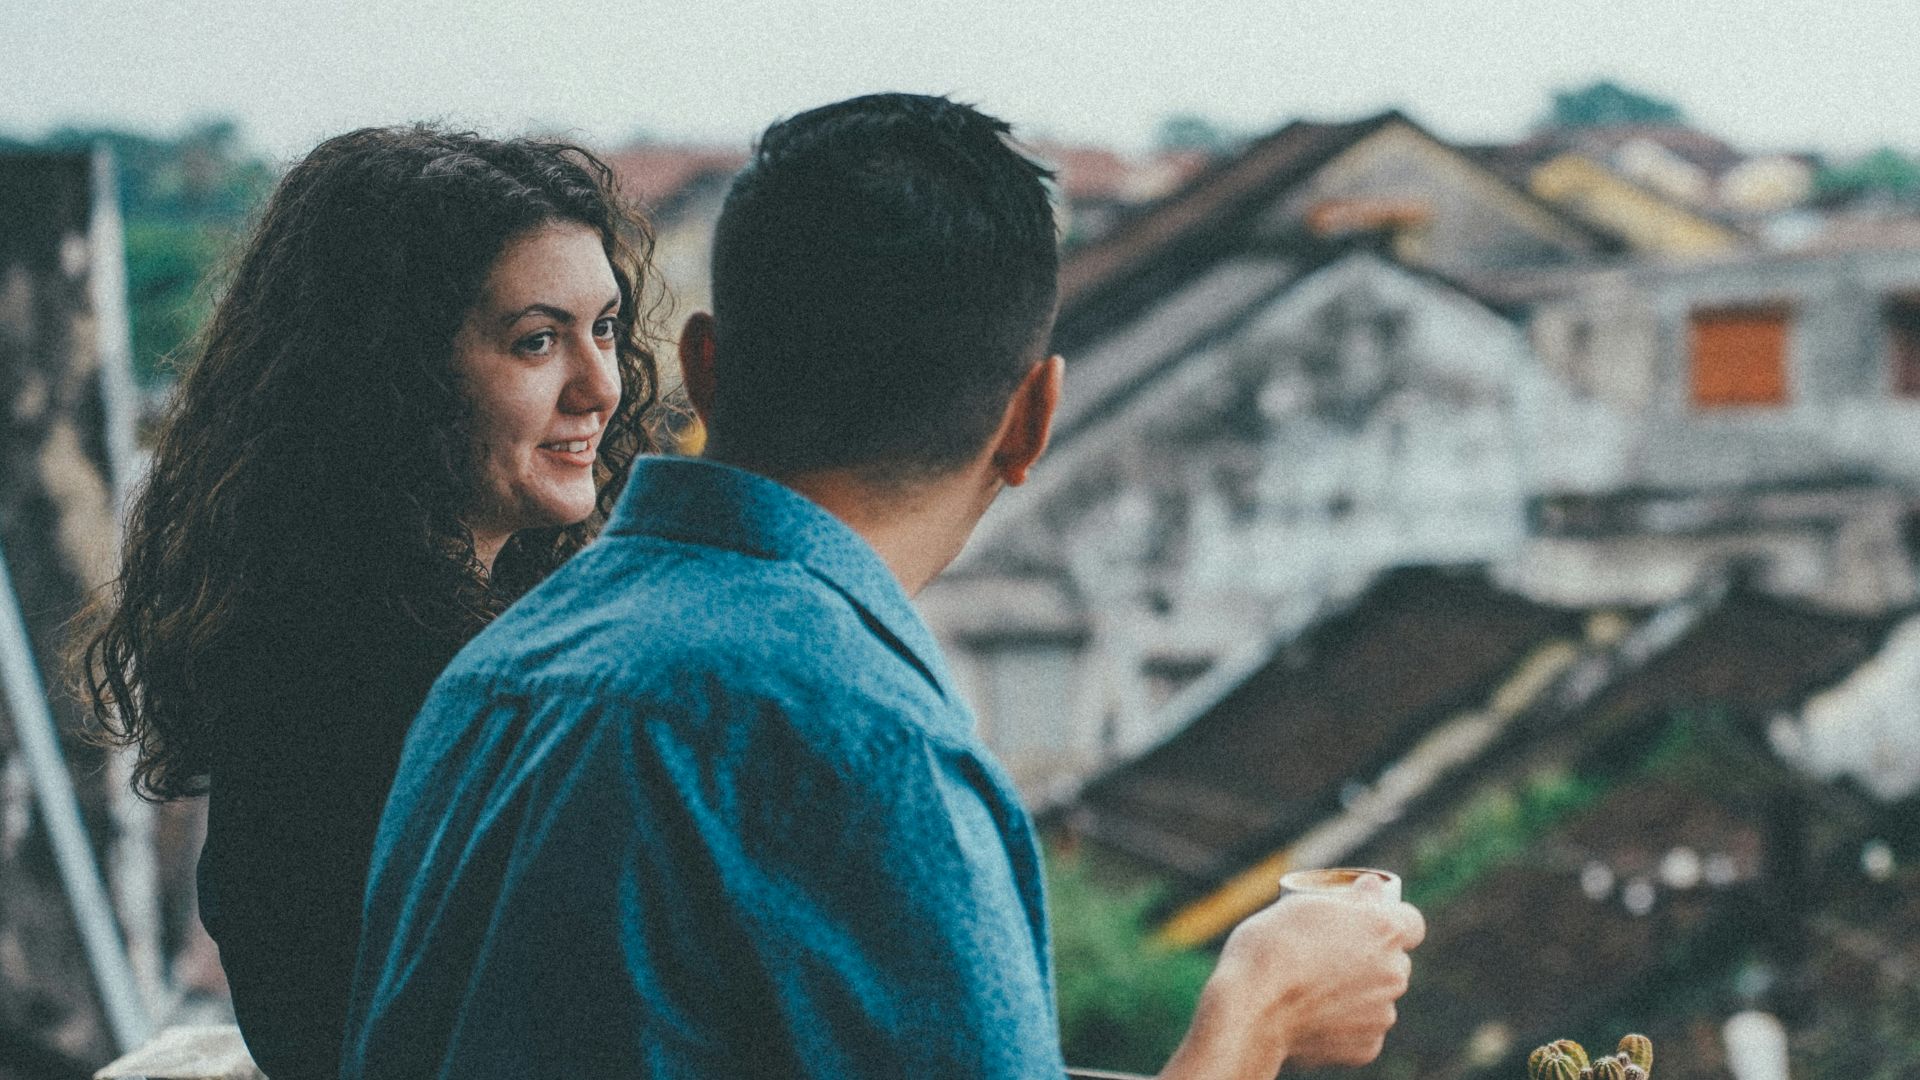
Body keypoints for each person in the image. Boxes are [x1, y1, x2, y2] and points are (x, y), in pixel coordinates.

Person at [342, 93, 1423, 1079]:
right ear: (1031, 418)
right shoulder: (856, 741)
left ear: (707, 368)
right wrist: (1261, 1009)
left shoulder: (501, 671)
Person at [76, 125, 661, 1080]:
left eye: (605, 327)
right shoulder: (417, 687)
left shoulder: (343, 629)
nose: (602, 384)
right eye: (537, 341)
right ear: (396, 377)